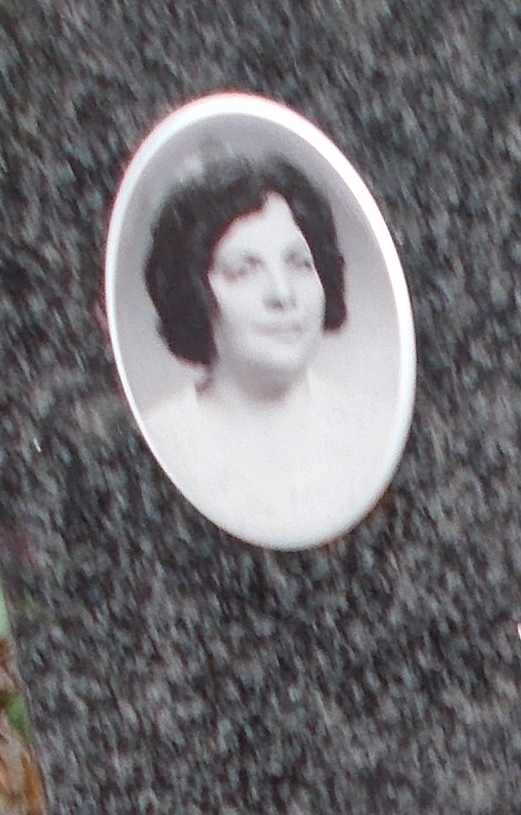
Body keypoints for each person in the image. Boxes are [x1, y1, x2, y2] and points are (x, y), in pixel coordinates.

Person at [132, 155, 400, 547]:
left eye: (299, 263)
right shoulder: (161, 445)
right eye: (245, 270)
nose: (282, 293)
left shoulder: (372, 432)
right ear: (193, 291)